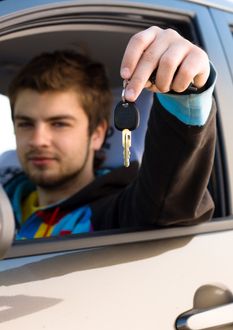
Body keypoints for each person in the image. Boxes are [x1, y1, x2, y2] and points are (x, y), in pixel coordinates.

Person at [3, 26, 216, 239]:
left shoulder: (118, 213)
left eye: (59, 124)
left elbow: (168, 203)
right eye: (25, 124)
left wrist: (185, 93)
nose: (38, 140)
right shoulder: (6, 196)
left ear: (97, 134)